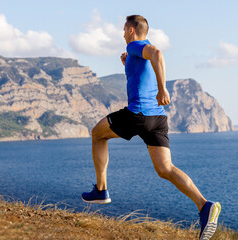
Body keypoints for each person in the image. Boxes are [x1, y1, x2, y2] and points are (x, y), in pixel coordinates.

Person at [81, 15, 221, 240]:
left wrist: (162, 89)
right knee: (165, 169)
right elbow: (145, 65)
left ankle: (101, 189)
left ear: (130, 30)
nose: (122, 33)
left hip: (138, 114)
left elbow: (157, 53)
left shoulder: (137, 44)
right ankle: (205, 206)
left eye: (123, 30)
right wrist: (128, 63)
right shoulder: (135, 52)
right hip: (158, 119)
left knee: (97, 134)